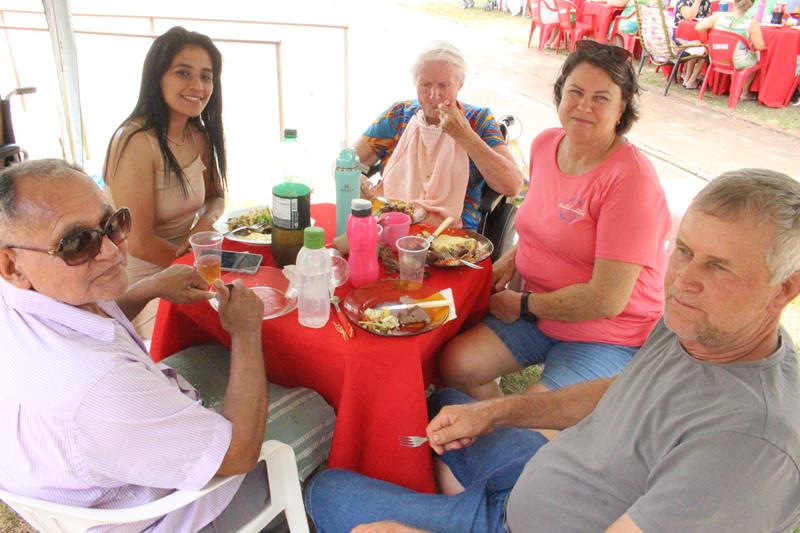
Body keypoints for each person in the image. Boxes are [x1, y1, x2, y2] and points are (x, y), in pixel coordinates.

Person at [304, 167, 800, 533]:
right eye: (685, 251)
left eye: (719, 267)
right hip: (536, 475)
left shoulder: (748, 444)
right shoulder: (700, 327)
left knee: (329, 493)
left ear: (785, 288)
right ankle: (449, 491)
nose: (684, 281)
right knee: (441, 407)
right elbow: (621, 392)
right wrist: (497, 413)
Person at [0, 159, 334, 532]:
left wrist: (151, 286)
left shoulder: (23, 295)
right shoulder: (98, 387)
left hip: (97, 477)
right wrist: (245, 333)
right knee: (322, 406)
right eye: (77, 244)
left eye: (113, 225)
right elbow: (238, 453)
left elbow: (86, 326)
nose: (111, 251)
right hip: (174, 515)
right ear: (11, 265)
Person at [439, 41, 670, 401]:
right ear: (560, 94)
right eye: (575, 92)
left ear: (622, 106)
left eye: (600, 98)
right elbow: (544, 223)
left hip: (606, 333)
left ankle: (516, 434)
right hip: (541, 316)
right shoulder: (546, 145)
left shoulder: (631, 182)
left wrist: (522, 304)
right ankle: (497, 426)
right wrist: (514, 258)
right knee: (455, 365)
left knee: (532, 422)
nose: (583, 106)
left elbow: (607, 299)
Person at [103, 26, 227, 335]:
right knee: (216, 324)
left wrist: (203, 226)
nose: (197, 85)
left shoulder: (198, 134)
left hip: (184, 261)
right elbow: (140, 243)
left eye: (206, 76)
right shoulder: (134, 141)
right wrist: (194, 269)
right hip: (142, 281)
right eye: (183, 73)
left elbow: (217, 197)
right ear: (157, 77)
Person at [356, 40, 523, 230]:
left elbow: (513, 185)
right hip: (389, 219)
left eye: (444, 85)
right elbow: (347, 161)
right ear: (415, 82)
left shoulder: (479, 120)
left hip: (450, 229)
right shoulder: (398, 114)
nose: (434, 94)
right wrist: (357, 181)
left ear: (460, 83)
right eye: (425, 84)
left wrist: (465, 135)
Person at [695, 0, 765, 99]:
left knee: (738, 54)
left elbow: (698, 27)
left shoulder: (718, 17)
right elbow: (760, 46)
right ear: (750, 6)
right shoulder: (751, 23)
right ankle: (743, 92)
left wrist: (710, 36)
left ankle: (735, 88)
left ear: (734, 2)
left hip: (716, 56)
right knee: (755, 58)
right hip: (737, 61)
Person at [673, 0, 712, 89]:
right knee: (706, 47)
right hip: (679, 41)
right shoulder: (683, 2)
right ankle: (691, 79)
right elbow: (690, 17)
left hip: (695, 39)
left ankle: (687, 76)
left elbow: (707, 20)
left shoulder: (706, 3)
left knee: (702, 44)